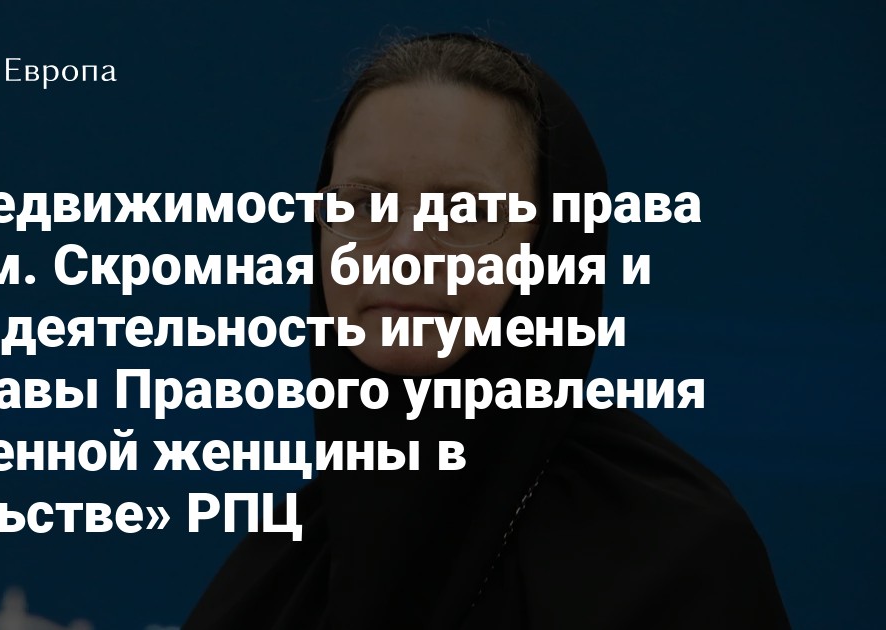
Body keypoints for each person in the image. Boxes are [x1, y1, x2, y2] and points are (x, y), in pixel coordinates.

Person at [183, 33, 790, 629]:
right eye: (362, 203)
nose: (404, 249)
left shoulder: (676, 559)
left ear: (553, 247)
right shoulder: (282, 568)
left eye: (464, 210)